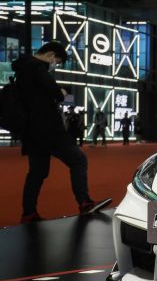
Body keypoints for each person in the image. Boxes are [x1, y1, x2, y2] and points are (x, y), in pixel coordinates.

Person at [12, 41, 111, 223]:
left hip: (32, 132)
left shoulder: (22, 69)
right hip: (49, 130)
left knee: (37, 172)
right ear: (50, 55)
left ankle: (29, 213)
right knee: (78, 160)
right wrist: (62, 92)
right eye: (56, 61)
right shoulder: (37, 68)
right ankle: (84, 203)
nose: (55, 65)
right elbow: (55, 92)